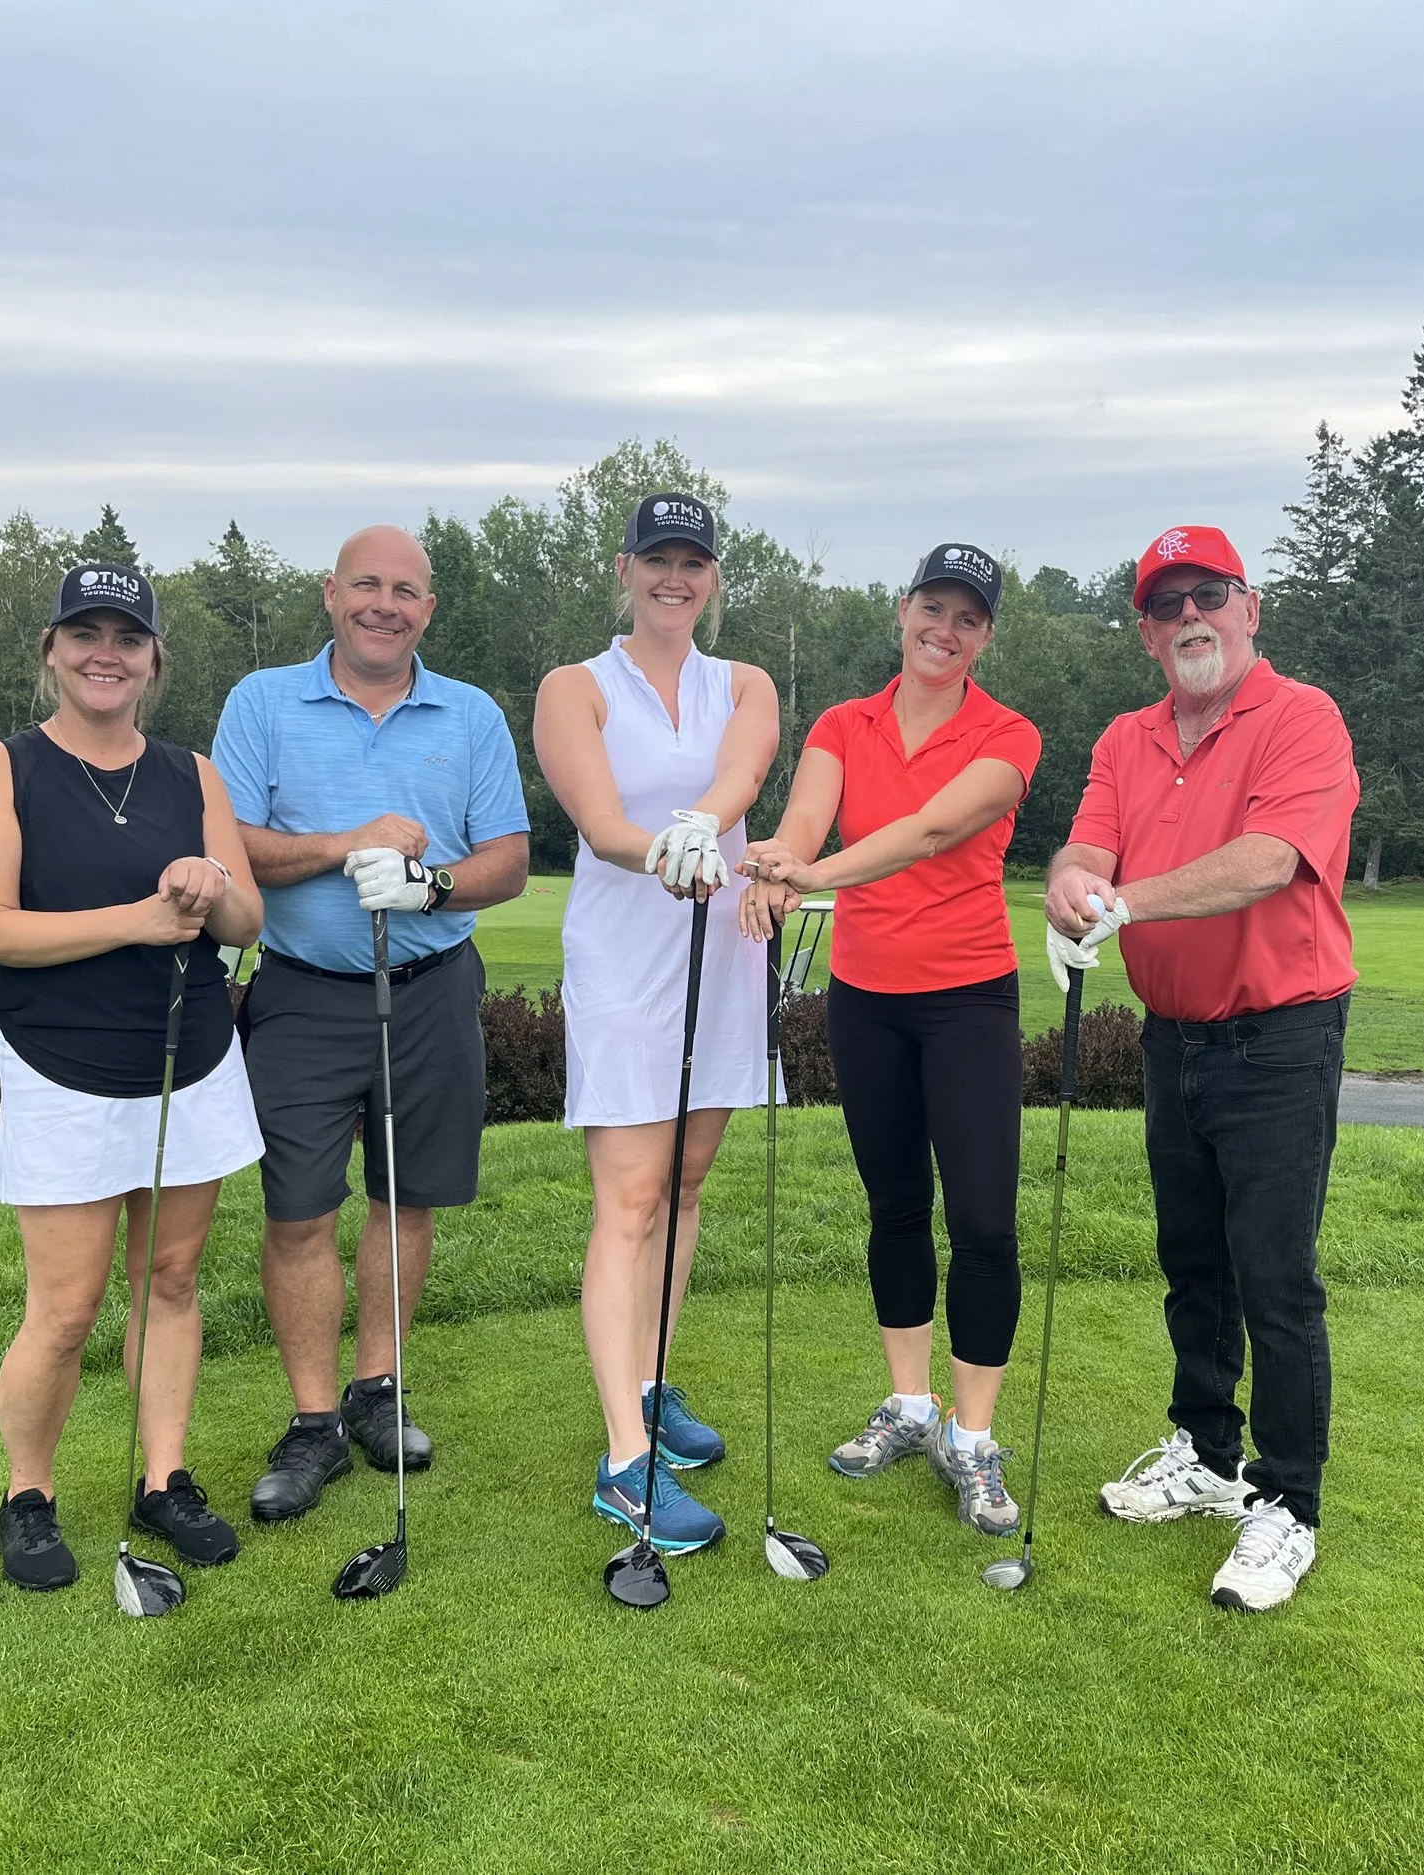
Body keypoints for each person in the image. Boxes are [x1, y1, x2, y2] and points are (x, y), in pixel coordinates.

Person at [1043, 523, 1359, 1614]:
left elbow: (1268, 862)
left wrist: (1126, 902)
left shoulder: (1301, 718)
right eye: (1165, 604)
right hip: (1170, 1036)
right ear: (1145, 632)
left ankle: (1289, 1503)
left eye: (1208, 595)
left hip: (1280, 1035)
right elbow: (1084, 848)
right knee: (1193, 1263)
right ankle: (1209, 1454)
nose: (1189, 617)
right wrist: (1070, 891)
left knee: (1274, 1276)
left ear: (1249, 607)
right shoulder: (1126, 739)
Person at [0, 561, 266, 1592]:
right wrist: (139, 918)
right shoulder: (1, 768)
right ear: (51, 651)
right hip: (62, 1066)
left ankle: (162, 1477)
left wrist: (211, 883)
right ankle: (27, 1495)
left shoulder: (192, 774)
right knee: (67, 1308)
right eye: (85, 634)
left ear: (154, 661)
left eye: (128, 639)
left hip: (189, 1061)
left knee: (170, 1279)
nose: (106, 654)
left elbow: (245, 922)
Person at [211, 526, 530, 1522]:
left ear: (427, 609)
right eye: (365, 585)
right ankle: (314, 1421)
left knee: (406, 1198)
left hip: (430, 985)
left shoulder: (470, 714)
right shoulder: (263, 701)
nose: (383, 605)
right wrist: (348, 844)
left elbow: (509, 857)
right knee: (298, 1208)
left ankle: (376, 1390)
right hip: (302, 991)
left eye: (404, 590)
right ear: (330, 594)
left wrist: (430, 886)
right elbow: (232, 845)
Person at [738, 543, 1042, 1539]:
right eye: (932, 608)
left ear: (985, 635)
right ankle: (910, 1407)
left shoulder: (1009, 736)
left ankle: (972, 1436)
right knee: (897, 1206)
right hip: (866, 1000)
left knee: (984, 1220)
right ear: (902, 610)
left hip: (968, 1001)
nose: (944, 631)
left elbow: (929, 832)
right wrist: (780, 860)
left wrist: (811, 873)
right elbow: (807, 816)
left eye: (967, 618)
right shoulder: (842, 723)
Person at [533, 491, 780, 1556]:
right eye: (657, 560)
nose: (674, 578)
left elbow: (743, 773)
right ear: (625, 570)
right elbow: (598, 823)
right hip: (625, 963)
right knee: (629, 1200)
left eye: (693, 563)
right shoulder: (574, 687)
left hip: (719, 956)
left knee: (683, 1186)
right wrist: (662, 848)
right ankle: (624, 1461)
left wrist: (698, 828)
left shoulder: (746, 683)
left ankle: (651, 1376)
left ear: (713, 578)